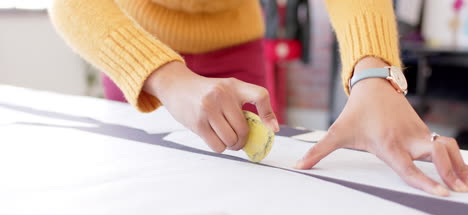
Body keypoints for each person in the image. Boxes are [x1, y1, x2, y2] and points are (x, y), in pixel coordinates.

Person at [50, 0, 467, 196]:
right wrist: (166, 78)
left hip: (237, 46)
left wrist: (374, 73)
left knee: (255, 188)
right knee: (140, 193)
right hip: (132, 48)